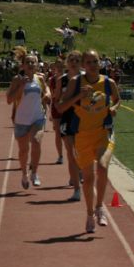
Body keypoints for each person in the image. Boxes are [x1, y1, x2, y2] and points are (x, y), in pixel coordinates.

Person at [59, 49, 121, 233]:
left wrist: (115, 108)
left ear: (100, 62)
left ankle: (100, 207)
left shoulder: (108, 83)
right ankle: (88, 214)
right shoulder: (75, 83)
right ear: (83, 65)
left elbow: (118, 100)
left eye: (96, 61)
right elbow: (61, 107)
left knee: (102, 167)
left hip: (104, 132)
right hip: (82, 136)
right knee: (88, 178)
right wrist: (79, 96)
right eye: (89, 62)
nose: (93, 65)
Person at [6, 52, 51, 190]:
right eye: (28, 62)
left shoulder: (40, 79)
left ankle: (35, 173)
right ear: (23, 65)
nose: (31, 64)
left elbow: (46, 90)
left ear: (37, 65)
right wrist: (21, 85)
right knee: (23, 151)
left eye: (34, 62)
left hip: (37, 118)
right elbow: (9, 100)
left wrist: (48, 94)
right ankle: (24, 174)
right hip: (21, 120)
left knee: (37, 142)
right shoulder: (17, 79)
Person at [54, 50, 84, 202]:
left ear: (81, 63)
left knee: (80, 152)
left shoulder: (87, 79)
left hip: (83, 119)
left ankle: (78, 172)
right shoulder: (63, 79)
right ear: (67, 62)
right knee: (71, 153)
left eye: (77, 60)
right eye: (71, 59)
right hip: (67, 117)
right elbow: (57, 100)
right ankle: (77, 190)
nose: (73, 62)